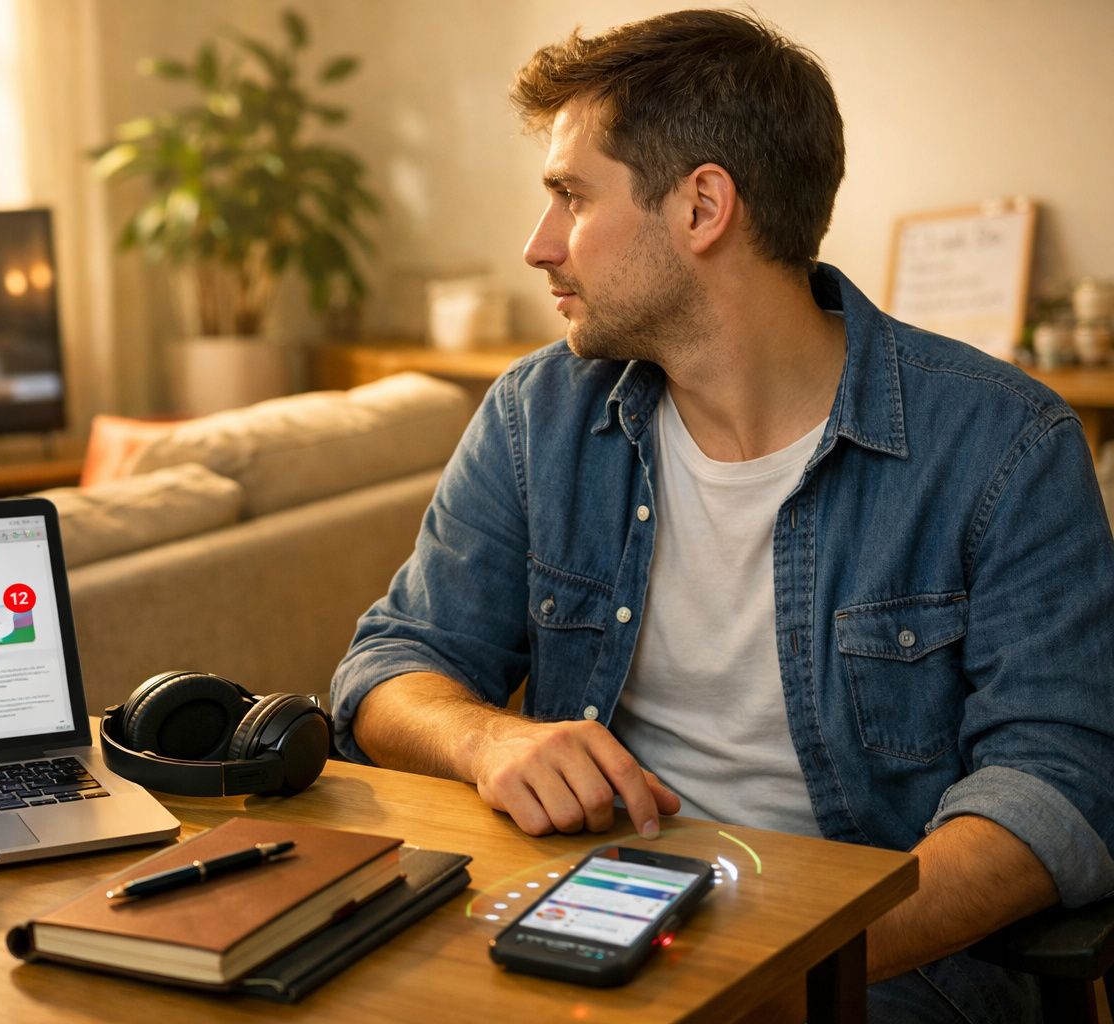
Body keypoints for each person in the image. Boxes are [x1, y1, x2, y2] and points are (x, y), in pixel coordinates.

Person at [330, 10, 1114, 1022]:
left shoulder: (1004, 445)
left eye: (570, 195)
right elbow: (390, 663)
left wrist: (781, 973)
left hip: (880, 968)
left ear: (703, 206)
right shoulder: (540, 416)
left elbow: (1057, 786)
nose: (539, 246)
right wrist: (488, 740)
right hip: (588, 928)